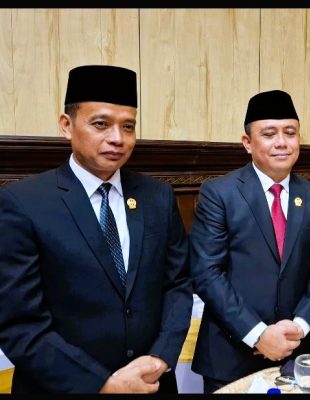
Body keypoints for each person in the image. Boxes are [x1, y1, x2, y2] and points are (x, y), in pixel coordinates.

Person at [0, 65, 192, 393]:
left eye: (128, 126)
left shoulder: (157, 196)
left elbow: (178, 284)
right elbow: (20, 324)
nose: (117, 138)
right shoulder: (23, 203)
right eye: (101, 124)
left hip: (152, 382)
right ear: (67, 125)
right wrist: (102, 383)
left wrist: (160, 356)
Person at [189, 89, 310, 393]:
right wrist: (258, 334)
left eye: (290, 133)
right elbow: (207, 273)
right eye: (269, 134)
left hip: (295, 353)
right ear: (247, 143)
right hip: (230, 355)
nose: (282, 142)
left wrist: (300, 326)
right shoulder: (219, 194)